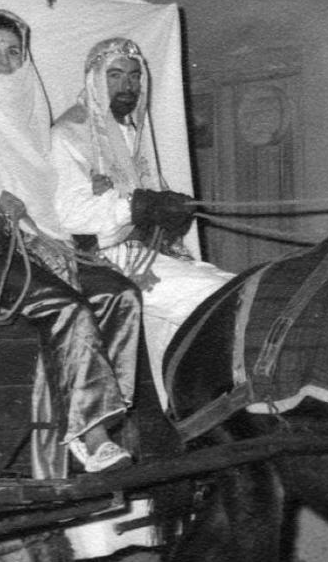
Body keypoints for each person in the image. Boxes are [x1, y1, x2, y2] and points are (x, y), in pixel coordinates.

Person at [0, 10, 143, 472]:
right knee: (69, 308)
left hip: (39, 244)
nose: (3, 63)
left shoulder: (31, 110)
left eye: (13, 52)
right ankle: (91, 433)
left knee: (122, 295)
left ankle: (103, 419)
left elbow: (48, 192)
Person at [52, 37, 232, 401]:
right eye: (115, 75)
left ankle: (187, 415)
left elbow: (148, 197)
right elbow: (71, 216)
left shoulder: (135, 132)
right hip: (100, 261)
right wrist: (138, 206)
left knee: (218, 283)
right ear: (93, 79)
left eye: (134, 76)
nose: (127, 85)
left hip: (144, 253)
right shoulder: (68, 134)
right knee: (215, 295)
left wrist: (172, 212)